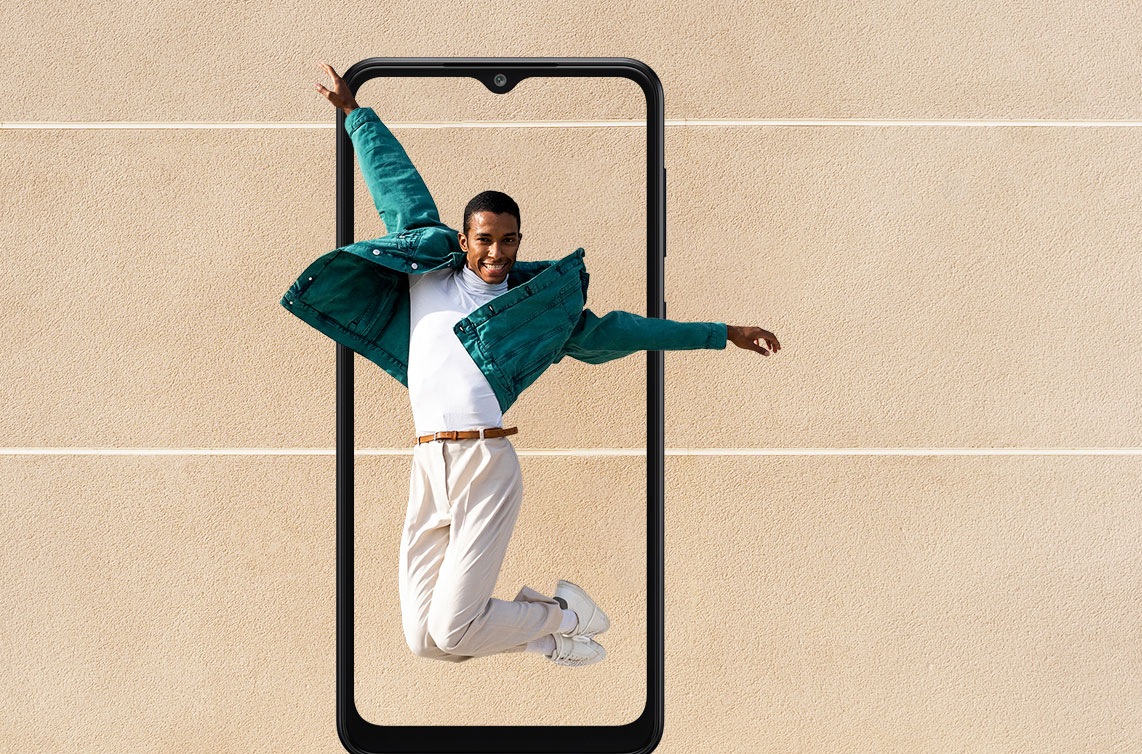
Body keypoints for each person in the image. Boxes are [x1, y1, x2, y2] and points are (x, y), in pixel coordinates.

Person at [287, 63, 781, 667]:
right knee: (424, 641)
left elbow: (621, 331)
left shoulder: (535, 311)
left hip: (485, 464)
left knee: (451, 630)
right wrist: (355, 113)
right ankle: (552, 634)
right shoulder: (429, 271)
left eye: (510, 240)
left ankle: (566, 617)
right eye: (486, 240)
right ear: (464, 239)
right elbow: (398, 184)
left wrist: (722, 333)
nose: (498, 253)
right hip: (427, 461)